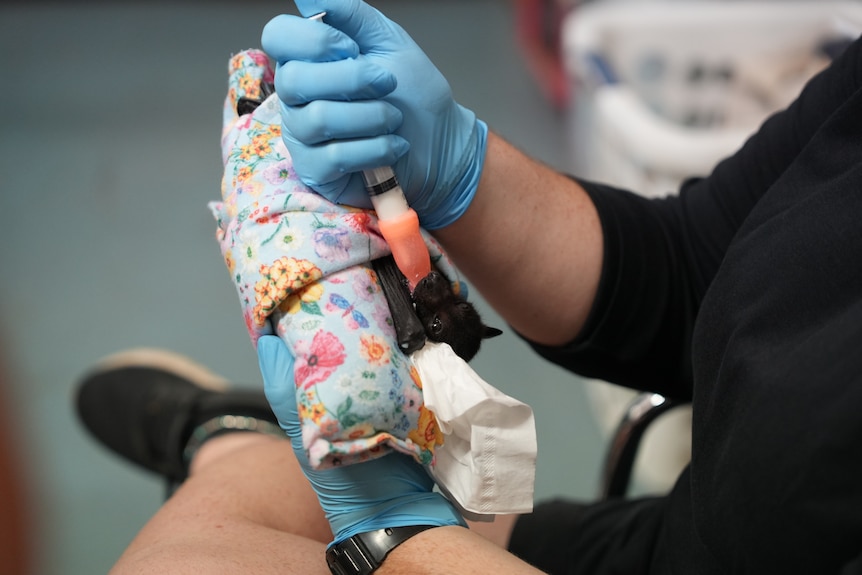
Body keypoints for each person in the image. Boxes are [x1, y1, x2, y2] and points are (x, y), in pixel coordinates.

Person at [76, 0, 862, 572]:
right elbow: (696, 266)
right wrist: (459, 168)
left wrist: (392, 526)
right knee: (261, 498)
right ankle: (237, 439)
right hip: (686, 536)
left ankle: (226, 439)